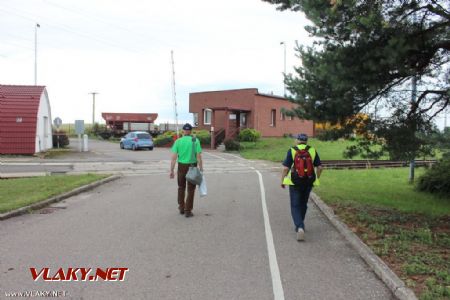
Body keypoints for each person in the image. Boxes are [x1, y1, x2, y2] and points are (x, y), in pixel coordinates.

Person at [281, 133, 322, 241]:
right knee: (303, 204)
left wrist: (282, 180)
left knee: (295, 205)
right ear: (306, 141)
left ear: (297, 140)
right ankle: (300, 224)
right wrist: (316, 178)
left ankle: (300, 227)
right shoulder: (312, 150)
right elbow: (320, 167)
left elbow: (285, 168)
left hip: (295, 182)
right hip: (309, 181)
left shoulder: (292, 150)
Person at [170, 123, 203, 218]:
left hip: (181, 166)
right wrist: (201, 168)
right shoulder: (195, 140)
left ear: (183, 131)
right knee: (191, 189)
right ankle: (188, 211)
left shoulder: (178, 141)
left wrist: (171, 170)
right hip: (192, 166)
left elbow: (173, 158)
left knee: (181, 187)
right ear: (191, 131)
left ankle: (181, 207)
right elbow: (199, 156)